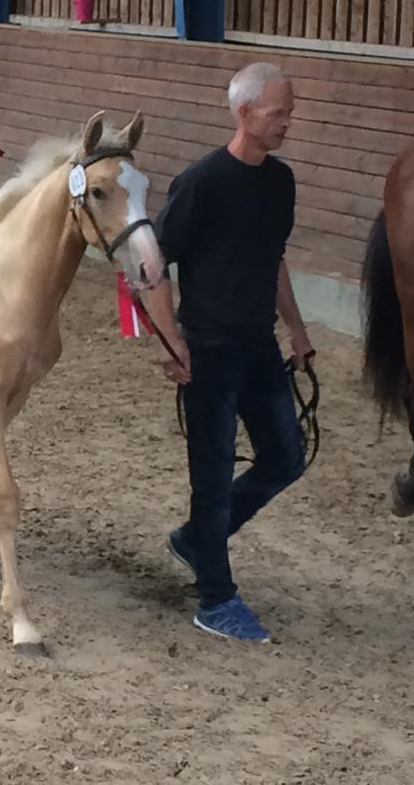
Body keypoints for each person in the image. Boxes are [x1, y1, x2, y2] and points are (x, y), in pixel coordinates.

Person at [146, 61, 314, 643]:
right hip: (209, 351)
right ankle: (215, 598)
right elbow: (152, 267)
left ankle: (198, 539)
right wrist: (172, 340)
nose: (288, 122)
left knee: (287, 457)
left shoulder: (281, 181)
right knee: (212, 475)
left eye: (289, 112)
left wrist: (296, 328)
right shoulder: (201, 183)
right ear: (244, 114)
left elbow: (274, 259)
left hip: (259, 346)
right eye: (279, 113)